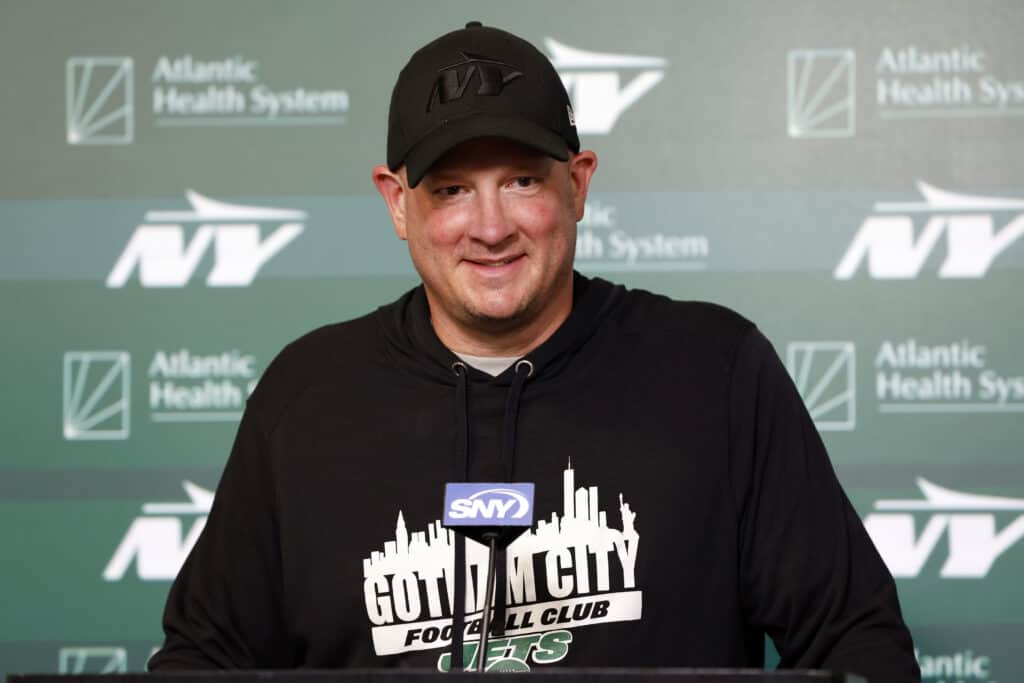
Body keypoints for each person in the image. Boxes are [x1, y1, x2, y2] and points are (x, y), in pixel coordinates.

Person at [149, 22, 921, 681]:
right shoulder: (308, 398)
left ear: (578, 186)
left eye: (522, 180)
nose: (490, 227)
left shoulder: (714, 372)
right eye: (452, 189)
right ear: (396, 202)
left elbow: (858, 641)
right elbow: (200, 659)